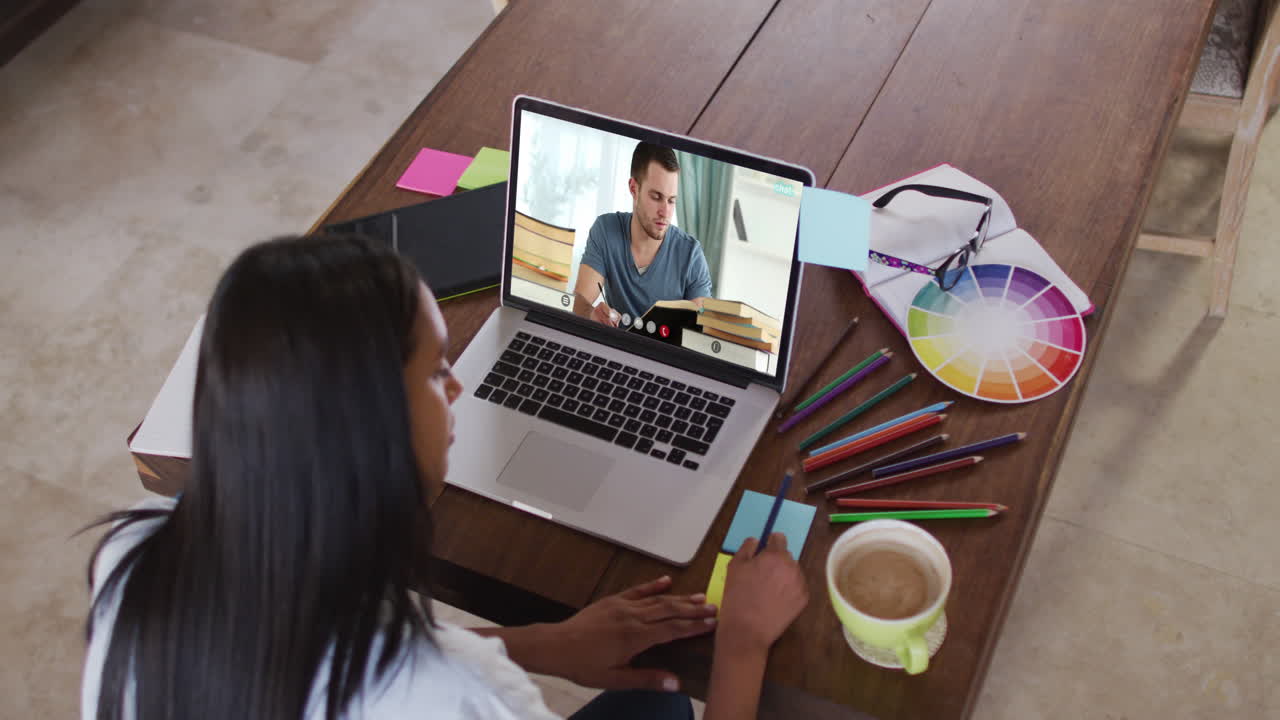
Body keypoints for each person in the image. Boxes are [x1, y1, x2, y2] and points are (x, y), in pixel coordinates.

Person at [82, 234, 807, 720]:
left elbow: (333, 656)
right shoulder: (453, 700)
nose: (458, 385)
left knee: (650, 703)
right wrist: (741, 643)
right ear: (371, 430)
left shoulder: (135, 557)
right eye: (434, 370)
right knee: (669, 702)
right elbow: (423, 681)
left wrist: (546, 645)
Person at [573, 143, 713, 327]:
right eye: (656, 197)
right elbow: (580, 303)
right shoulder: (605, 230)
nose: (665, 212)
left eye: (671, 201)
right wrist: (592, 315)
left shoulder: (691, 256)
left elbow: (701, 331)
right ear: (633, 188)